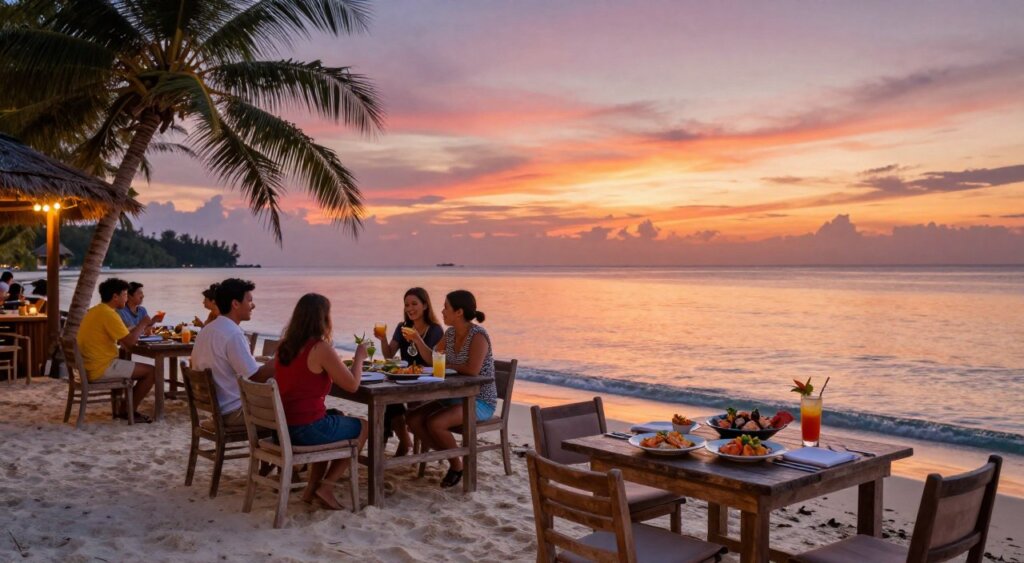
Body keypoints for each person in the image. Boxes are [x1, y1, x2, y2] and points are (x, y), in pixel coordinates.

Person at [275, 293, 368, 510]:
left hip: (283, 428)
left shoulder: (284, 347)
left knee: (338, 416)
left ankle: (310, 490)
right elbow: (353, 386)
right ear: (323, 318)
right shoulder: (320, 348)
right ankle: (327, 486)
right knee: (364, 425)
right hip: (305, 430)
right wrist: (359, 358)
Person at [407, 290, 497, 488]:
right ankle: (450, 454)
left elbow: (472, 370)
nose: (442, 311)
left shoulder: (478, 335)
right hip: (454, 396)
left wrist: (447, 364)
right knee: (412, 419)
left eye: (446, 307)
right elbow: (432, 358)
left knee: (436, 423)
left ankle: (456, 465)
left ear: (459, 312)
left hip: (479, 400)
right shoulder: (450, 333)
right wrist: (417, 340)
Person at [190, 279, 274, 430]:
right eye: (249, 301)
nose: (253, 305)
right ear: (235, 304)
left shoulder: (206, 331)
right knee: (289, 410)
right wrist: (280, 360)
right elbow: (254, 376)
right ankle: (277, 452)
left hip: (215, 410)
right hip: (233, 412)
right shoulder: (233, 334)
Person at [375, 287, 444, 456]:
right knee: (387, 401)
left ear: (425, 305)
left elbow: (433, 361)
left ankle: (404, 444)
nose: (410, 308)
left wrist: (417, 338)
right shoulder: (402, 327)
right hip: (406, 379)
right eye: (406, 305)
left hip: (426, 383)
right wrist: (383, 339)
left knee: (390, 402)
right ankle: (405, 442)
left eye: (414, 304)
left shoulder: (435, 329)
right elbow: (389, 354)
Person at [77, 278, 157, 423]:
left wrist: (134, 330)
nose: (126, 299)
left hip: (89, 365)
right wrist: (143, 323)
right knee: (152, 372)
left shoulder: (95, 310)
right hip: (101, 367)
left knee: (132, 365)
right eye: (125, 295)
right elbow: (131, 343)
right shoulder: (109, 314)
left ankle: (124, 408)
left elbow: (122, 339)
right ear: (115, 296)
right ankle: (128, 411)